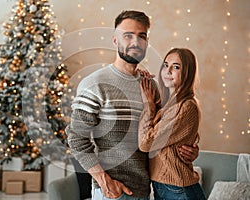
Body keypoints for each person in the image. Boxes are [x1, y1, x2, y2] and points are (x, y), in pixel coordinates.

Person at [66, 10, 199, 200]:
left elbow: (167, 130)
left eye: (141, 36)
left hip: (144, 191)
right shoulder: (94, 84)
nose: (135, 42)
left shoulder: (151, 87)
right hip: (112, 192)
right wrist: (104, 181)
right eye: (127, 36)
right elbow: (76, 139)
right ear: (115, 40)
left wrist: (191, 148)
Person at [138, 48, 206, 200]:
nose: (168, 70)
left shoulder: (186, 106)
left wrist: (148, 104)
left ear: (187, 73)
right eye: (165, 65)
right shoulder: (167, 103)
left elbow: (145, 143)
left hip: (178, 189)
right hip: (163, 186)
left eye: (176, 67)